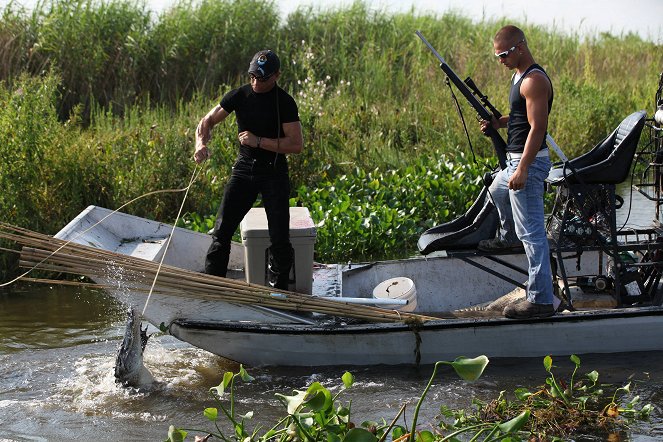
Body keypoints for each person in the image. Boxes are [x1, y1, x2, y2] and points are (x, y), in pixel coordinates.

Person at [194, 49, 303, 290]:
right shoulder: (239, 95)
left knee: (279, 238)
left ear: (276, 76)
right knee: (221, 231)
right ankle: (213, 288)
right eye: (252, 76)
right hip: (244, 169)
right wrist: (200, 143)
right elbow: (206, 121)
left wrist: (259, 141)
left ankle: (279, 293)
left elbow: (296, 144)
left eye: (262, 78)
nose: (255, 82)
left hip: (273, 171)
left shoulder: (284, 102)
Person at [478, 25, 555, 319]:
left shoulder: (534, 80)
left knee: (533, 233)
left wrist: (523, 168)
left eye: (504, 54)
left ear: (520, 47)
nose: (501, 60)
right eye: (497, 56)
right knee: (497, 189)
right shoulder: (518, 76)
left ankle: (541, 300)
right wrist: (500, 123)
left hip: (529, 162)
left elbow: (538, 127)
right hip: (514, 161)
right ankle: (510, 237)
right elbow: (523, 116)